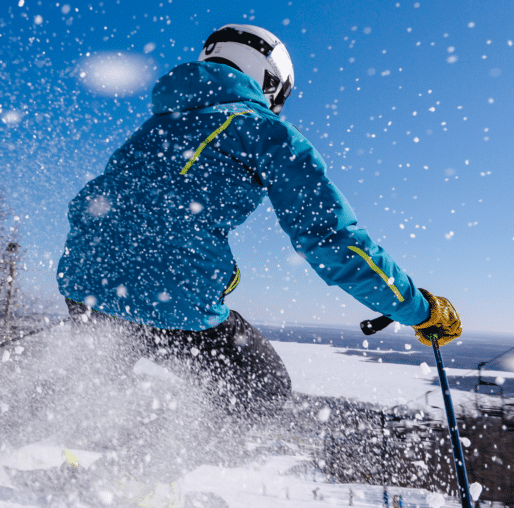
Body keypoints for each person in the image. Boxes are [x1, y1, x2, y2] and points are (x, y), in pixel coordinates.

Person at [55, 23, 462, 418]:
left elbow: (126, 212)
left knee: (100, 389)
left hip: (86, 286)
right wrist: (418, 308)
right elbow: (329, 238)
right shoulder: (264, 129)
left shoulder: (153, 129)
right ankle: (159, 459)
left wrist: (210, 268)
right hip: (174, 302)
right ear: (269, 81)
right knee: (263, 389)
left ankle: (89, 445)